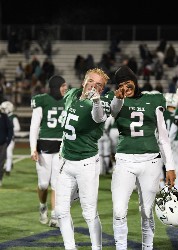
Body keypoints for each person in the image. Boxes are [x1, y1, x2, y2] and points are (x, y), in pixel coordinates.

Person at [55, 68, 124, 250]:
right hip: (66, 161)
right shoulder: (72, 94)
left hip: (86, 163)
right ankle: (70, 247)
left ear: (103, 89)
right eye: (91, 81)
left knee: (89, 213)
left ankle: (97, 248)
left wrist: (95, 100)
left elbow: (98, 116)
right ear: (84, 82)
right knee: (60, 211)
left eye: (99, 85)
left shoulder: (102, 102)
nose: (94, 86)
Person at [109, 65, 176, 250]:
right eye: (120, 84)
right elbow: (113, 111)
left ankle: (148, 247)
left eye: (127, 82)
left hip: (151, 161)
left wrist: (170, 165)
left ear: (135, 81)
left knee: (147, 211)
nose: (125, 86)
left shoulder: (153, 99)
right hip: (124, 160)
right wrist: (117, 98)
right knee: (119, 210)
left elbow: (163, 136)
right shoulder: (116, 99)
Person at [29, 75, 68, 228]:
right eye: (63, 85)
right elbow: (34, 126)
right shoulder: (42, 100)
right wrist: (33, 148)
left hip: (61, 146)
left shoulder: (68, 100)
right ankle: (42, 205)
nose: (65, 88)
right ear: (56, 86)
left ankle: (55, 216)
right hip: (44, 146)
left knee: (57, 184)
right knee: (43, 184)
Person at [1, 101, 21, 176]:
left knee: (9, 154)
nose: (3, 110)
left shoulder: (13, 117)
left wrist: (9, 129)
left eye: (4, 109)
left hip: (9, 139)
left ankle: (8, 169)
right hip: (2, 139)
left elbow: (17, 127)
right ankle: (7, 166)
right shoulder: (3, 117)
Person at [0, 107, 13, 187]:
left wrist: (7, 142)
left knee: (1, 163)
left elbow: (10, 129)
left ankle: (0, 179)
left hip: (2, 144)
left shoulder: (4, 117)